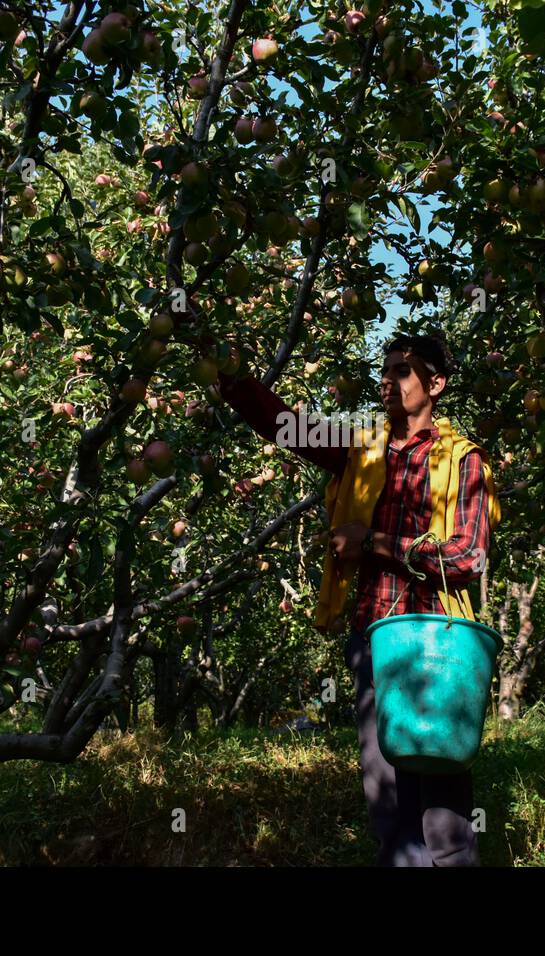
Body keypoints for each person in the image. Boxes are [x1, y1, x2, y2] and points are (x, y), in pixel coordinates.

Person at [213, 332, 501, 866]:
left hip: (437, 643)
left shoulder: (463, 461)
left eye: (403, 372)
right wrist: (229, 374)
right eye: (385, 371)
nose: (388, 382)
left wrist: (373, 543)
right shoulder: (360, 450)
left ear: (435, 384)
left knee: (442, 806)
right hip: (375, 640)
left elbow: (467, 558)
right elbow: (288, 429)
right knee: (387, 796)